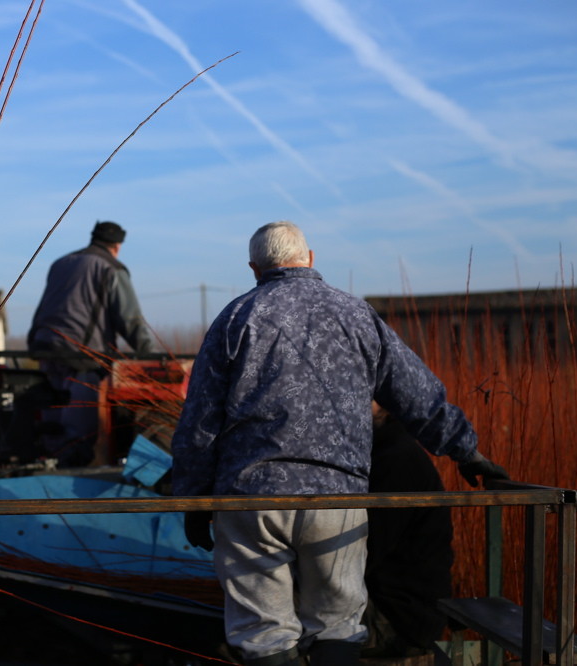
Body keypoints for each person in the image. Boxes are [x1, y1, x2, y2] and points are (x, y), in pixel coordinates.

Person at [170, 221, 508, 666]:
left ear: (255, 268)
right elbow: (416, 394)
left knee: (264, 632)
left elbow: (199, 425)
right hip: (337, 496)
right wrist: (468, 452)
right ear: (310, 259)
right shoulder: (355, 314)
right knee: (338, 623)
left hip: (252, 496)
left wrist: (193, 501)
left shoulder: (235, 318)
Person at [26, 220, 154, 466]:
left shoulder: (61, 263)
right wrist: (151, 359)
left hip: (45, 348)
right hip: (82, 356)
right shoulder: (111, 268)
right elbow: (130, 320)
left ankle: (44, 468)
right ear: (117, 246)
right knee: (78, 427)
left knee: (52, 418)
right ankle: (70, 479)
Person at [363, 402, 454, 658]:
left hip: (398, 618)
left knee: (269, 612)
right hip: (398, 608)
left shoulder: (395, 460)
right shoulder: (385, 451)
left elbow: (362, 553)